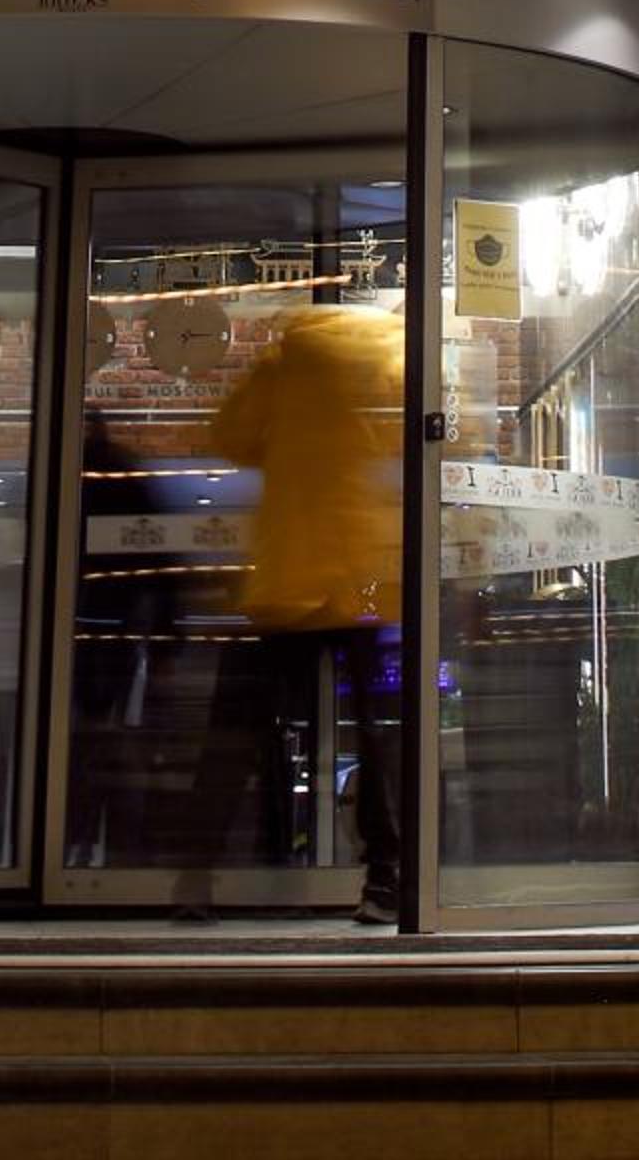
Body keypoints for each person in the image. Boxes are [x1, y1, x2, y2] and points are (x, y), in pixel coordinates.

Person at [181, 302, 406, 925]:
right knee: (376, 733)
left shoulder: (281, 363)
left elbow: (229, 435)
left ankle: (198, 878)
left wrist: (286, 446)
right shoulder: (388, 356)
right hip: (357, 580)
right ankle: (385, 879)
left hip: (288, 577)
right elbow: (421, 433)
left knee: (241, 731)